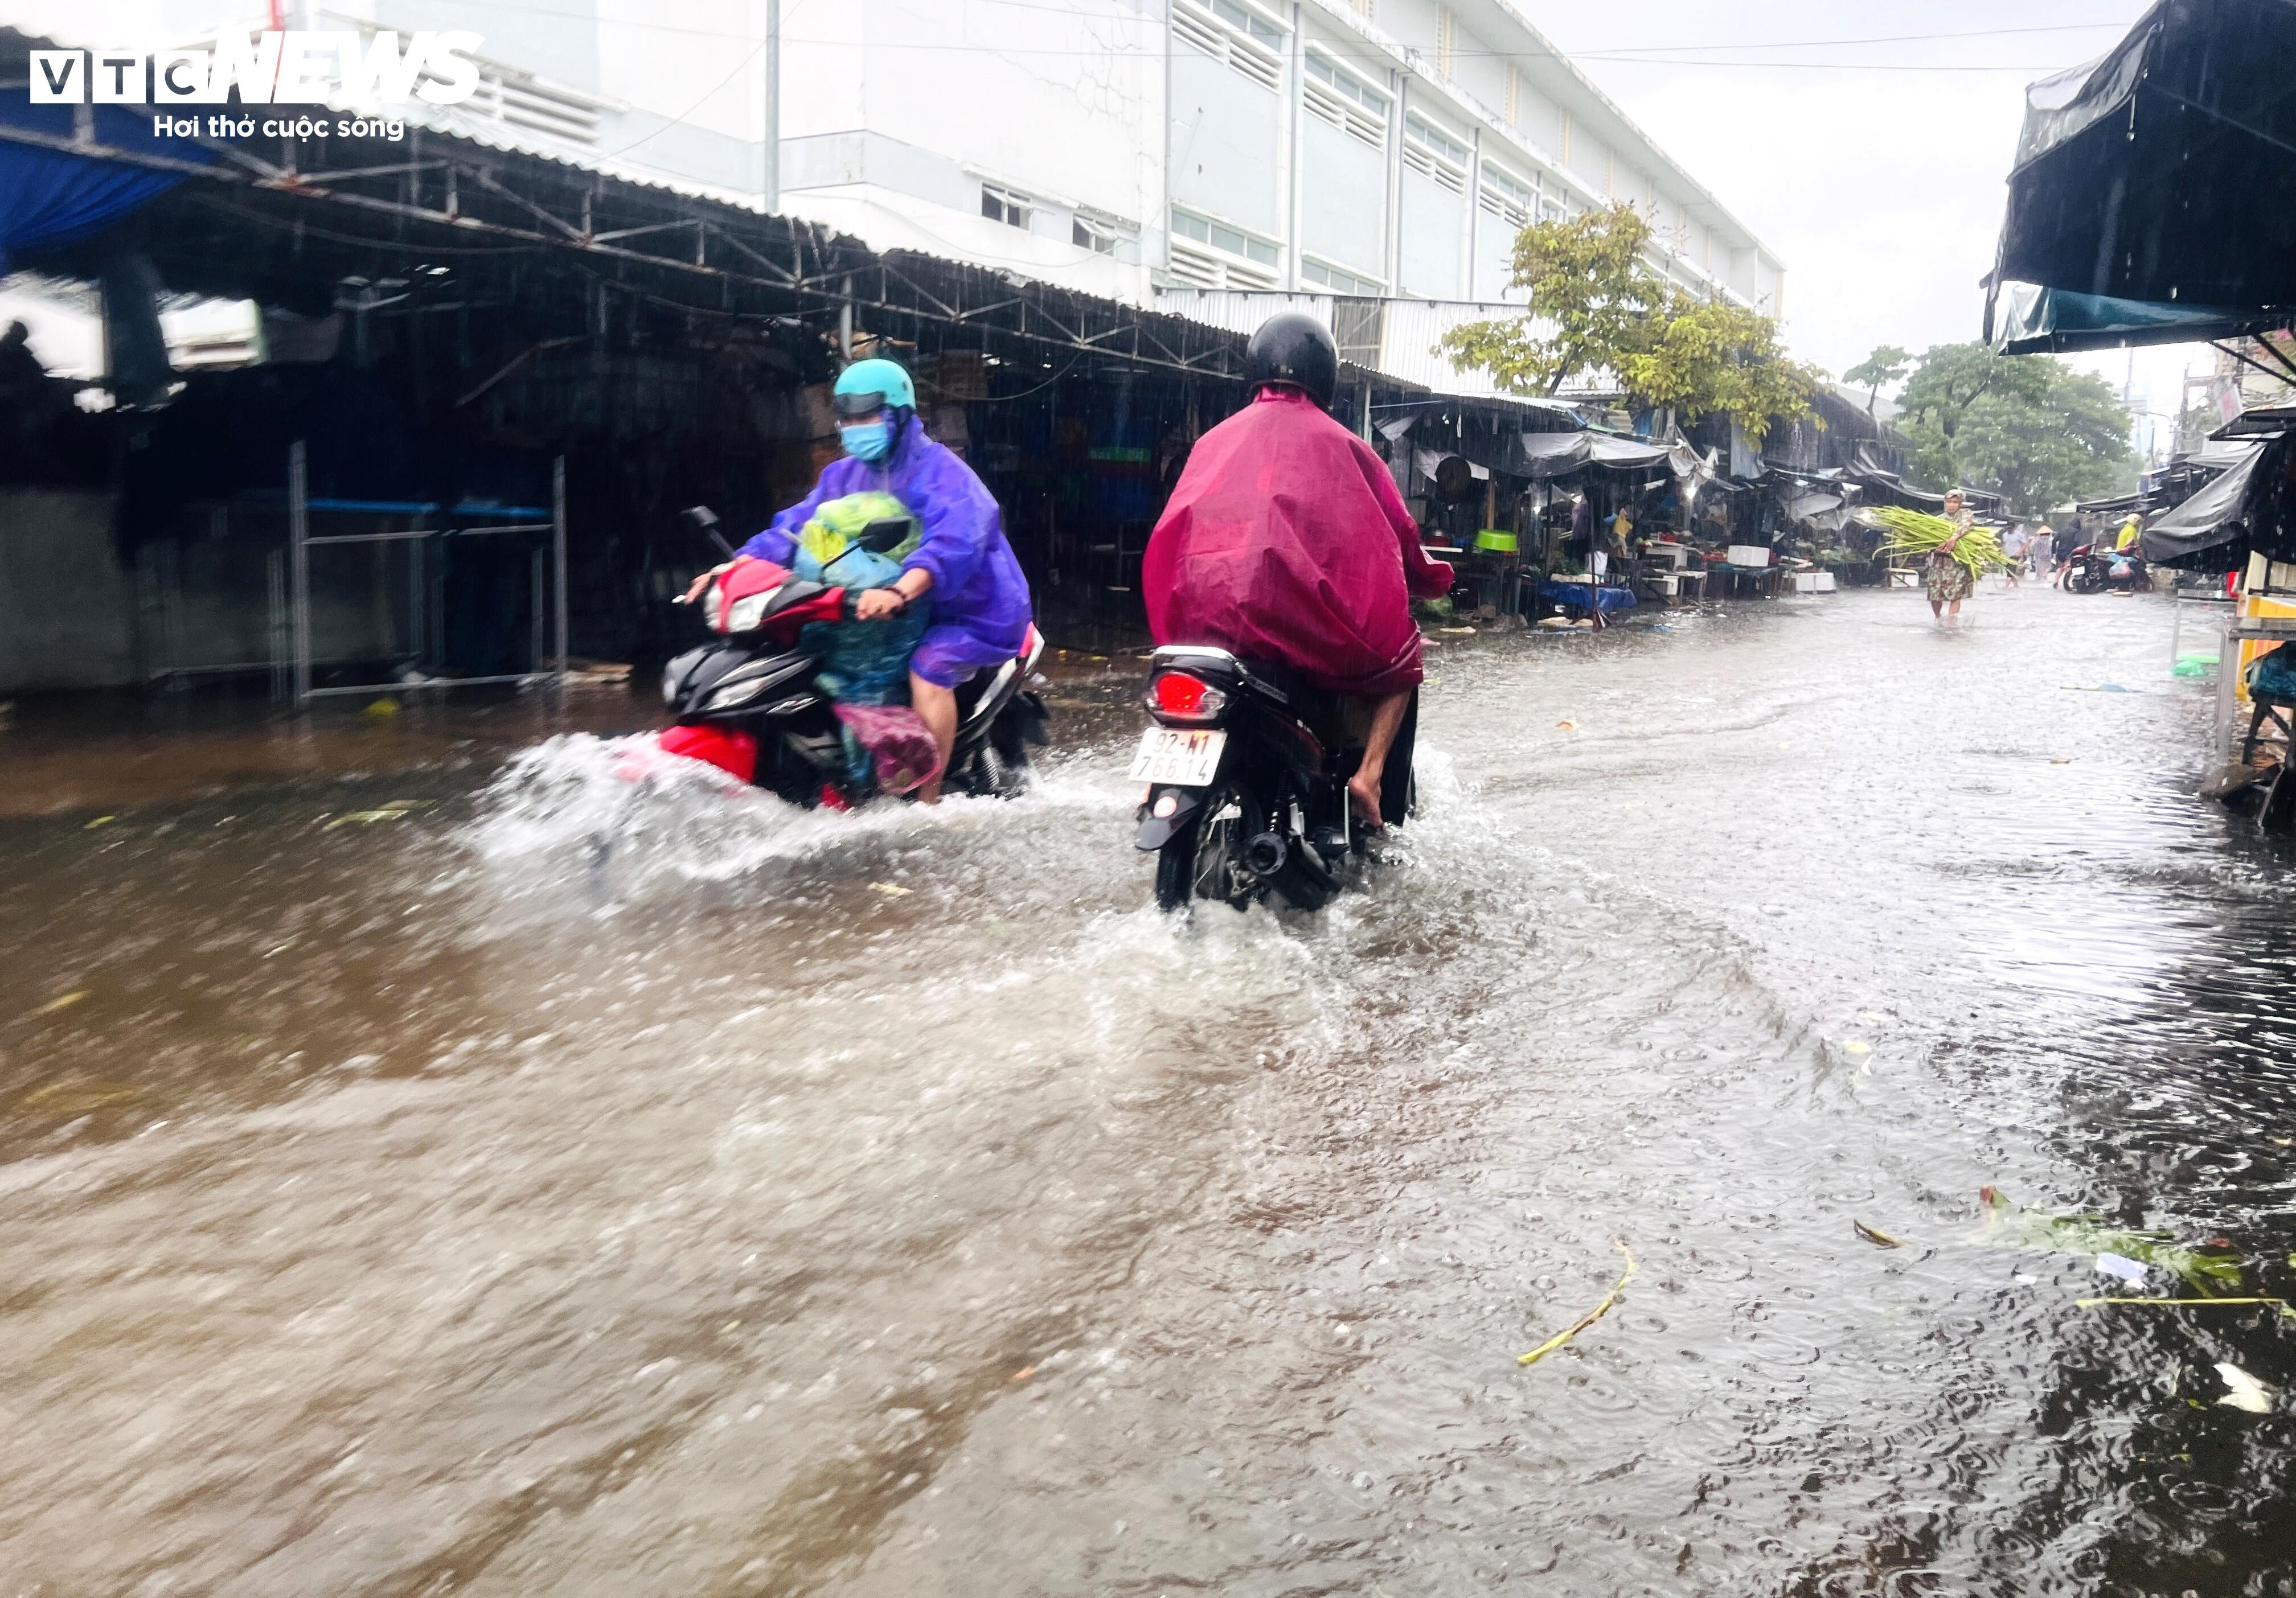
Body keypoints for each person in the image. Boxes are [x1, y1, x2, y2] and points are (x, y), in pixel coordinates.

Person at [1142, 313, 1452, 828]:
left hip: (1205, 630)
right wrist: (1429, 579)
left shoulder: (1211, 444)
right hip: (1298, 631)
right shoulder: (1350, 449)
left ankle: (1158, 777)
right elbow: (1397, 536)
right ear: (1325, 377)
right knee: (1403, 661)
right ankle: (1369, 781)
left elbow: (1171, 533)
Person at [685, 357, 1031, 803]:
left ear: (900, 415)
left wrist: (899, 590)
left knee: (928, 669)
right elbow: (799, 528)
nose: (855, 428)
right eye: (847, 419)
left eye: (868, 416)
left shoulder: (944, 474)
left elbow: (954, 541)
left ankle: (927, 799)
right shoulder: (843, 476)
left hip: (968, 609)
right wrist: (737, 567)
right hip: (887, 611)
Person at [1926, 488, 1977, 628]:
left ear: (1960, 503)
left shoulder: (1965, 514)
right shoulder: (1938, 520)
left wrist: (1953, 538)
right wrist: (1935, 549)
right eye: (1949, 502)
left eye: (1955, 502)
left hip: (1957, 563)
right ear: (1945, 503)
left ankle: (1951, 624)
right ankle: (1938, 618)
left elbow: (1966, 525)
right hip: (1939, 563)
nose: (1952, 505)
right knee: (1935, 595)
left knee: (1956, 594)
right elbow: (1928, 543)